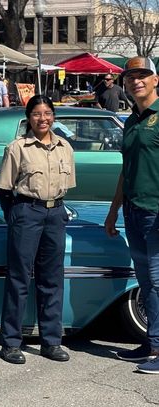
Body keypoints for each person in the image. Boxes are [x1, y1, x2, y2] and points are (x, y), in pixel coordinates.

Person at [0, 95, 76, 364]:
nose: (43, 119)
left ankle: (51, 342)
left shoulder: (65, 147)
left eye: (47, 113)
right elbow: (5, 190)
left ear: (53, 116)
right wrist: (18, 217)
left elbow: (67, 185)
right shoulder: (18, 148)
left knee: (52, 278)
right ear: (28, 119)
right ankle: (10, 343)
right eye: (37, 114)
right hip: (26, 212)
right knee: (19, 279)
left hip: (55, 213)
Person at [104, 57, 159, 374]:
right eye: (130, 77)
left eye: (142, 75)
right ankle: (152, 343)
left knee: (157, 280)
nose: (136, 81)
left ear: (155, 80)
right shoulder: (130, 120)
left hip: (156, 212)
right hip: (134, 212)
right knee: (146, 282)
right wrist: (113, 211)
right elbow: (127, 170)